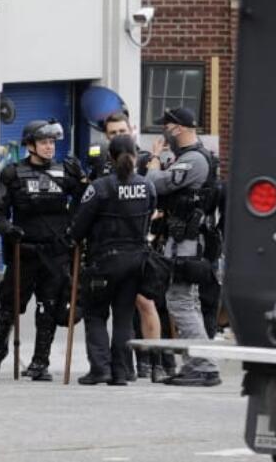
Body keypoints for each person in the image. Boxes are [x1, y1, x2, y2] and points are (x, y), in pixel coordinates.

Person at [0, 119, 85, 382]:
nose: (50, 147)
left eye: (52, 142)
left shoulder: (67, 171)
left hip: (55, 252)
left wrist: (84, 182)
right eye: (43, 142)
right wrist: (9, 229)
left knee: (49, 306)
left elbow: (86, 205)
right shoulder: (12, 173)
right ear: (30, 145)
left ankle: (40, 362)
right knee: (10, 305)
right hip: (24, 251)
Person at [144, 107, 221, 386]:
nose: (165, 132)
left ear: (179, 128)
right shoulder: (188, 158)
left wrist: (153, 160)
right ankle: (198, 363)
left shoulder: (194, 160)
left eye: (167, 127)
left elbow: (156, 184)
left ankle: (204, 365)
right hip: (184, 241)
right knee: (187, 303)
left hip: (187, 244)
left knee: (180, 302)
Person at [70, 134, 155, 385]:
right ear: (136, 156)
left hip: (103, 262)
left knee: (96, 314)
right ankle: (121, 371)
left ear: (110, 157)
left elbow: (79, 225)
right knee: (124, 316)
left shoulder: (100, 187)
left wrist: (73, 239)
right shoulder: (146, 186)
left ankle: (100, 368)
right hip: (135, 261)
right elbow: (149, 218)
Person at [92, 111, 169, 382]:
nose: (118, 136)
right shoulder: (100, 164)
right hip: (113, 247)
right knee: (125, 311)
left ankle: (155, 361)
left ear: (132, 130)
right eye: (113, 133)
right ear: (106, 136)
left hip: (141, 245)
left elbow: (157, 198)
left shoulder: (148, 160)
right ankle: (128, 366)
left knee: (147, 305)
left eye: (122, 131)